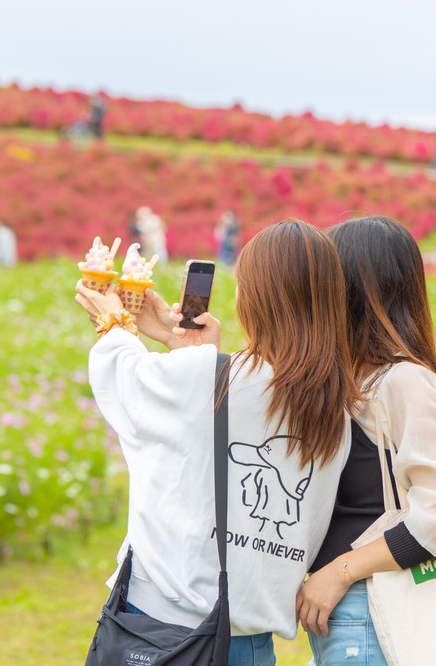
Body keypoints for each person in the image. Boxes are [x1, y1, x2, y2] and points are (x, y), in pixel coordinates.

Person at [75, 220, 358, 666]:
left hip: (163, 633)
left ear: (255, 299)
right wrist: (188, 349)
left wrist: (113, 321)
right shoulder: (335, 407)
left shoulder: (211, 375)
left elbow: (126, 384)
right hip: (250, 643)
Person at [298, 216, 436, 665]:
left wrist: (340, 571)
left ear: (351, 289)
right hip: (350, 614)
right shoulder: (350, 382)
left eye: (326, 277)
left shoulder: (403, 381)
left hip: (375, 608)